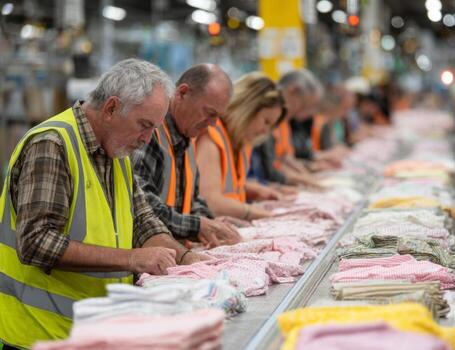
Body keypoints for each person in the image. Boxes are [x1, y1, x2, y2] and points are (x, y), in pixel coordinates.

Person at [0, 59, 207, 349]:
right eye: (144, 125)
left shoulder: (117, 151)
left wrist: (186, 261)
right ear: (111, 108)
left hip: (94, 332)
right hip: (40, 333)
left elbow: (144, 222)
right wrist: (131, 258)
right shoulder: (52, 145)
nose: (147, 140)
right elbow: (36, 242)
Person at [132, 64, 242, 248]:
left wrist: (210, 222)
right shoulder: (151, 134)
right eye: (209, 113)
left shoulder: (187, 139)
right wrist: (197, 226)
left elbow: (193, 198)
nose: (214, 124)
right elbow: (141, 203)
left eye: (218, 117)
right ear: (182, 93)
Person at [196, 72, 286, 220]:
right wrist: (258, 213)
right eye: (266, 121)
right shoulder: (210, 138)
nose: (266, 131)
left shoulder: (239, 142)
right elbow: (210, 201)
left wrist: (251, 189)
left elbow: (224, 186)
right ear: (247, 109)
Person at [250, 69, 324, 187]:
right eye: (303, 105)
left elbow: (284, 158)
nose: (301, 113)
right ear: (293, 90)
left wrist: (305, 175)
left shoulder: (284, 121)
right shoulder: (268, 118)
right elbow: (269, 170)